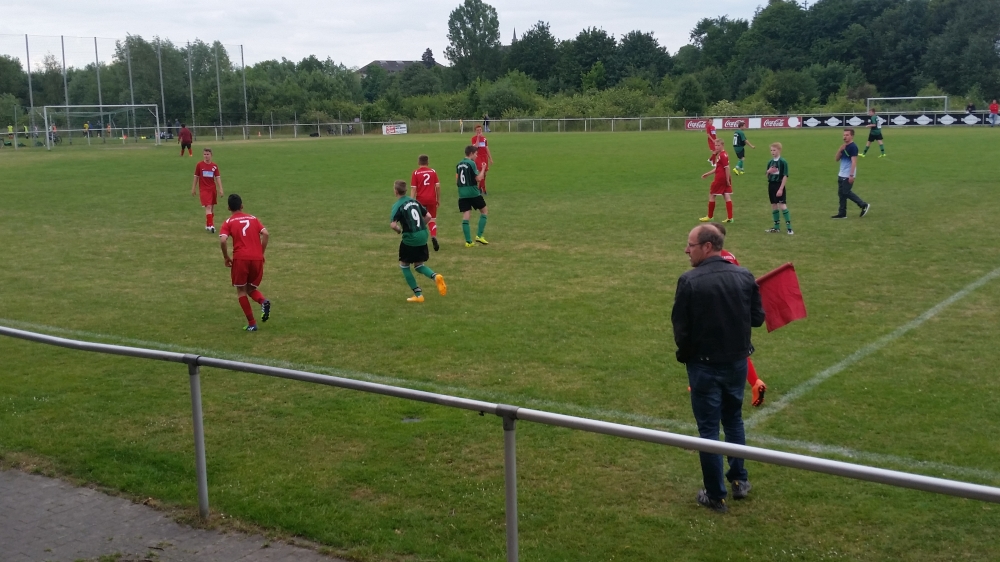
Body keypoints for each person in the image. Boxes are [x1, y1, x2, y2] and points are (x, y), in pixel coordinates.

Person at [672, 224, 765, 513]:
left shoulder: (689, 281)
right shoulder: (744, 275)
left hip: (704, 367)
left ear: (707, 246)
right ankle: (739, 480)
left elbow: (681, 330)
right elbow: (758, 318)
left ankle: (715, 495)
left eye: (690, 245)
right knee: (734, 420)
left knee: (709, 429)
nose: (686, 250)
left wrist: (686, 357)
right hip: (736, 364)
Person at [707, 223, 768, 406]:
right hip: (738, 310)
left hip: (719, 311)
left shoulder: (708, 260)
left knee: (708, 347)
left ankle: (702, 384)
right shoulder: (731, 256)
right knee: (737, 349)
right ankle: (756, 382)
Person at [219, 194, 270, 331]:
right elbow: (266, 233)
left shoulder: (228, 222)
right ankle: (263, 301)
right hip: (257, 258)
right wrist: (261, 253)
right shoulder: (253, 218)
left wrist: (226, 257)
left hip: (241, 258)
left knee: (241, 290)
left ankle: (252, 323)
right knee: (250, 288)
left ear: (228, 208)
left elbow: (223, 240)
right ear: (242, 206)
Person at [391, 180, 448, 303]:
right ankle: (435, 276)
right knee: (419, 265)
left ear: (395, 191)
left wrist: (399, 231)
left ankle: (418, 295)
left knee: (404, 265)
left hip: (410, 238)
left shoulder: (397, 205)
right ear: (405, 190)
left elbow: (393, 225)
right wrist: (420, 227)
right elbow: (428, 216)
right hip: (423, 235)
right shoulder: (414, 201)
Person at [832, 129, 870, 219]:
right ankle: (842, 213)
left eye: (847, 135)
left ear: (852, 136)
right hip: (841, 173)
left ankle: (863, 205)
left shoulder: (853, 147)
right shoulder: (844, 147)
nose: (845, 137)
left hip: (848, 174)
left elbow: (854, 162)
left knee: (846, 192)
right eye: (844, 135)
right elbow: (836, 159)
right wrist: (840, 150)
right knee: (841, 194)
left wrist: (851, 175)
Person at [457, 145, 488, 247]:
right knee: (484, 211)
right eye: (475, 154)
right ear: (471, 153)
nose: (476, 156)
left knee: (466, 216)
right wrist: (483, 169)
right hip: (473, 193)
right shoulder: (471, 163)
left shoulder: (459, 164)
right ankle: (479, 236)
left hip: (462, 193)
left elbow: (457, 179)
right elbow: (478, 179)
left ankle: (468, 242)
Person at [410, 154, 441, 251]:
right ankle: (433, 235)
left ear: (418, 162)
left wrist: (411, 201)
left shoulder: (416, 173)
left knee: (420, 221)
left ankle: (419, 240)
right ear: (428, 162)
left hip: (420, 200)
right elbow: (438, 186)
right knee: (432, 220)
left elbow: (413, 188)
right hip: (432, 199)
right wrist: (438, 199)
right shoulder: (433, 171)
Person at [700, 139, 734, 223]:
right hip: (724, 178)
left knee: (712, 194)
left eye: (718, 145)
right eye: (715, 145)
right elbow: (718, 168)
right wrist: (708, 174)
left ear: (722, 145)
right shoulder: (724, 154)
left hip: (720, 178)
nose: (716, 147)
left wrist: (727, 179)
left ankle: (710, 216)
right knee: (726, 195)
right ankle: (730, 218)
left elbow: (727, 168)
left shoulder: (722, 155)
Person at [191, 148, 224, 233]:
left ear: (211, 155)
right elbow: (196, 177)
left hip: (212, 189)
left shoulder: (214, 166)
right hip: (204, 189)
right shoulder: (199, 165)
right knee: (208, 206)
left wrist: (220, 188)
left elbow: (217, 177)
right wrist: (193, 188)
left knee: (212, 208)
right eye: (204, 154)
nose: (206, 156)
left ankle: (208, 225)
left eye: (207, 154)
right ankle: (212, 225)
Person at [764, 143, 793, 235]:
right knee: (774, 205)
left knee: (782, 205)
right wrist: (768, 171)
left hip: (779, 185)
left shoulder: (783, 162)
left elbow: (785, 176)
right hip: (771, 185)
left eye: (774, 150)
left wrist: (781, 189)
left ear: (779, 150)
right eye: (771, 150)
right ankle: (776, 227)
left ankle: (789, 228)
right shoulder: (770, 162)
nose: (772, 152)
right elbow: (767, 175)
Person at [470, 124, 494, 195]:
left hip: (484, 157)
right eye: (477, 130)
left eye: (480, 130)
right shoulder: (473, 138)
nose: (479, 131)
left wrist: (490, 158)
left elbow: (487, 148)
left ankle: (479, 188)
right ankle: (484, 189)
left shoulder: (484, 139)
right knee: (482, 173)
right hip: (478, 157)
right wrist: (478, 138)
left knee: (484, 174)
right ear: (475, 131)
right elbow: (475, 147)